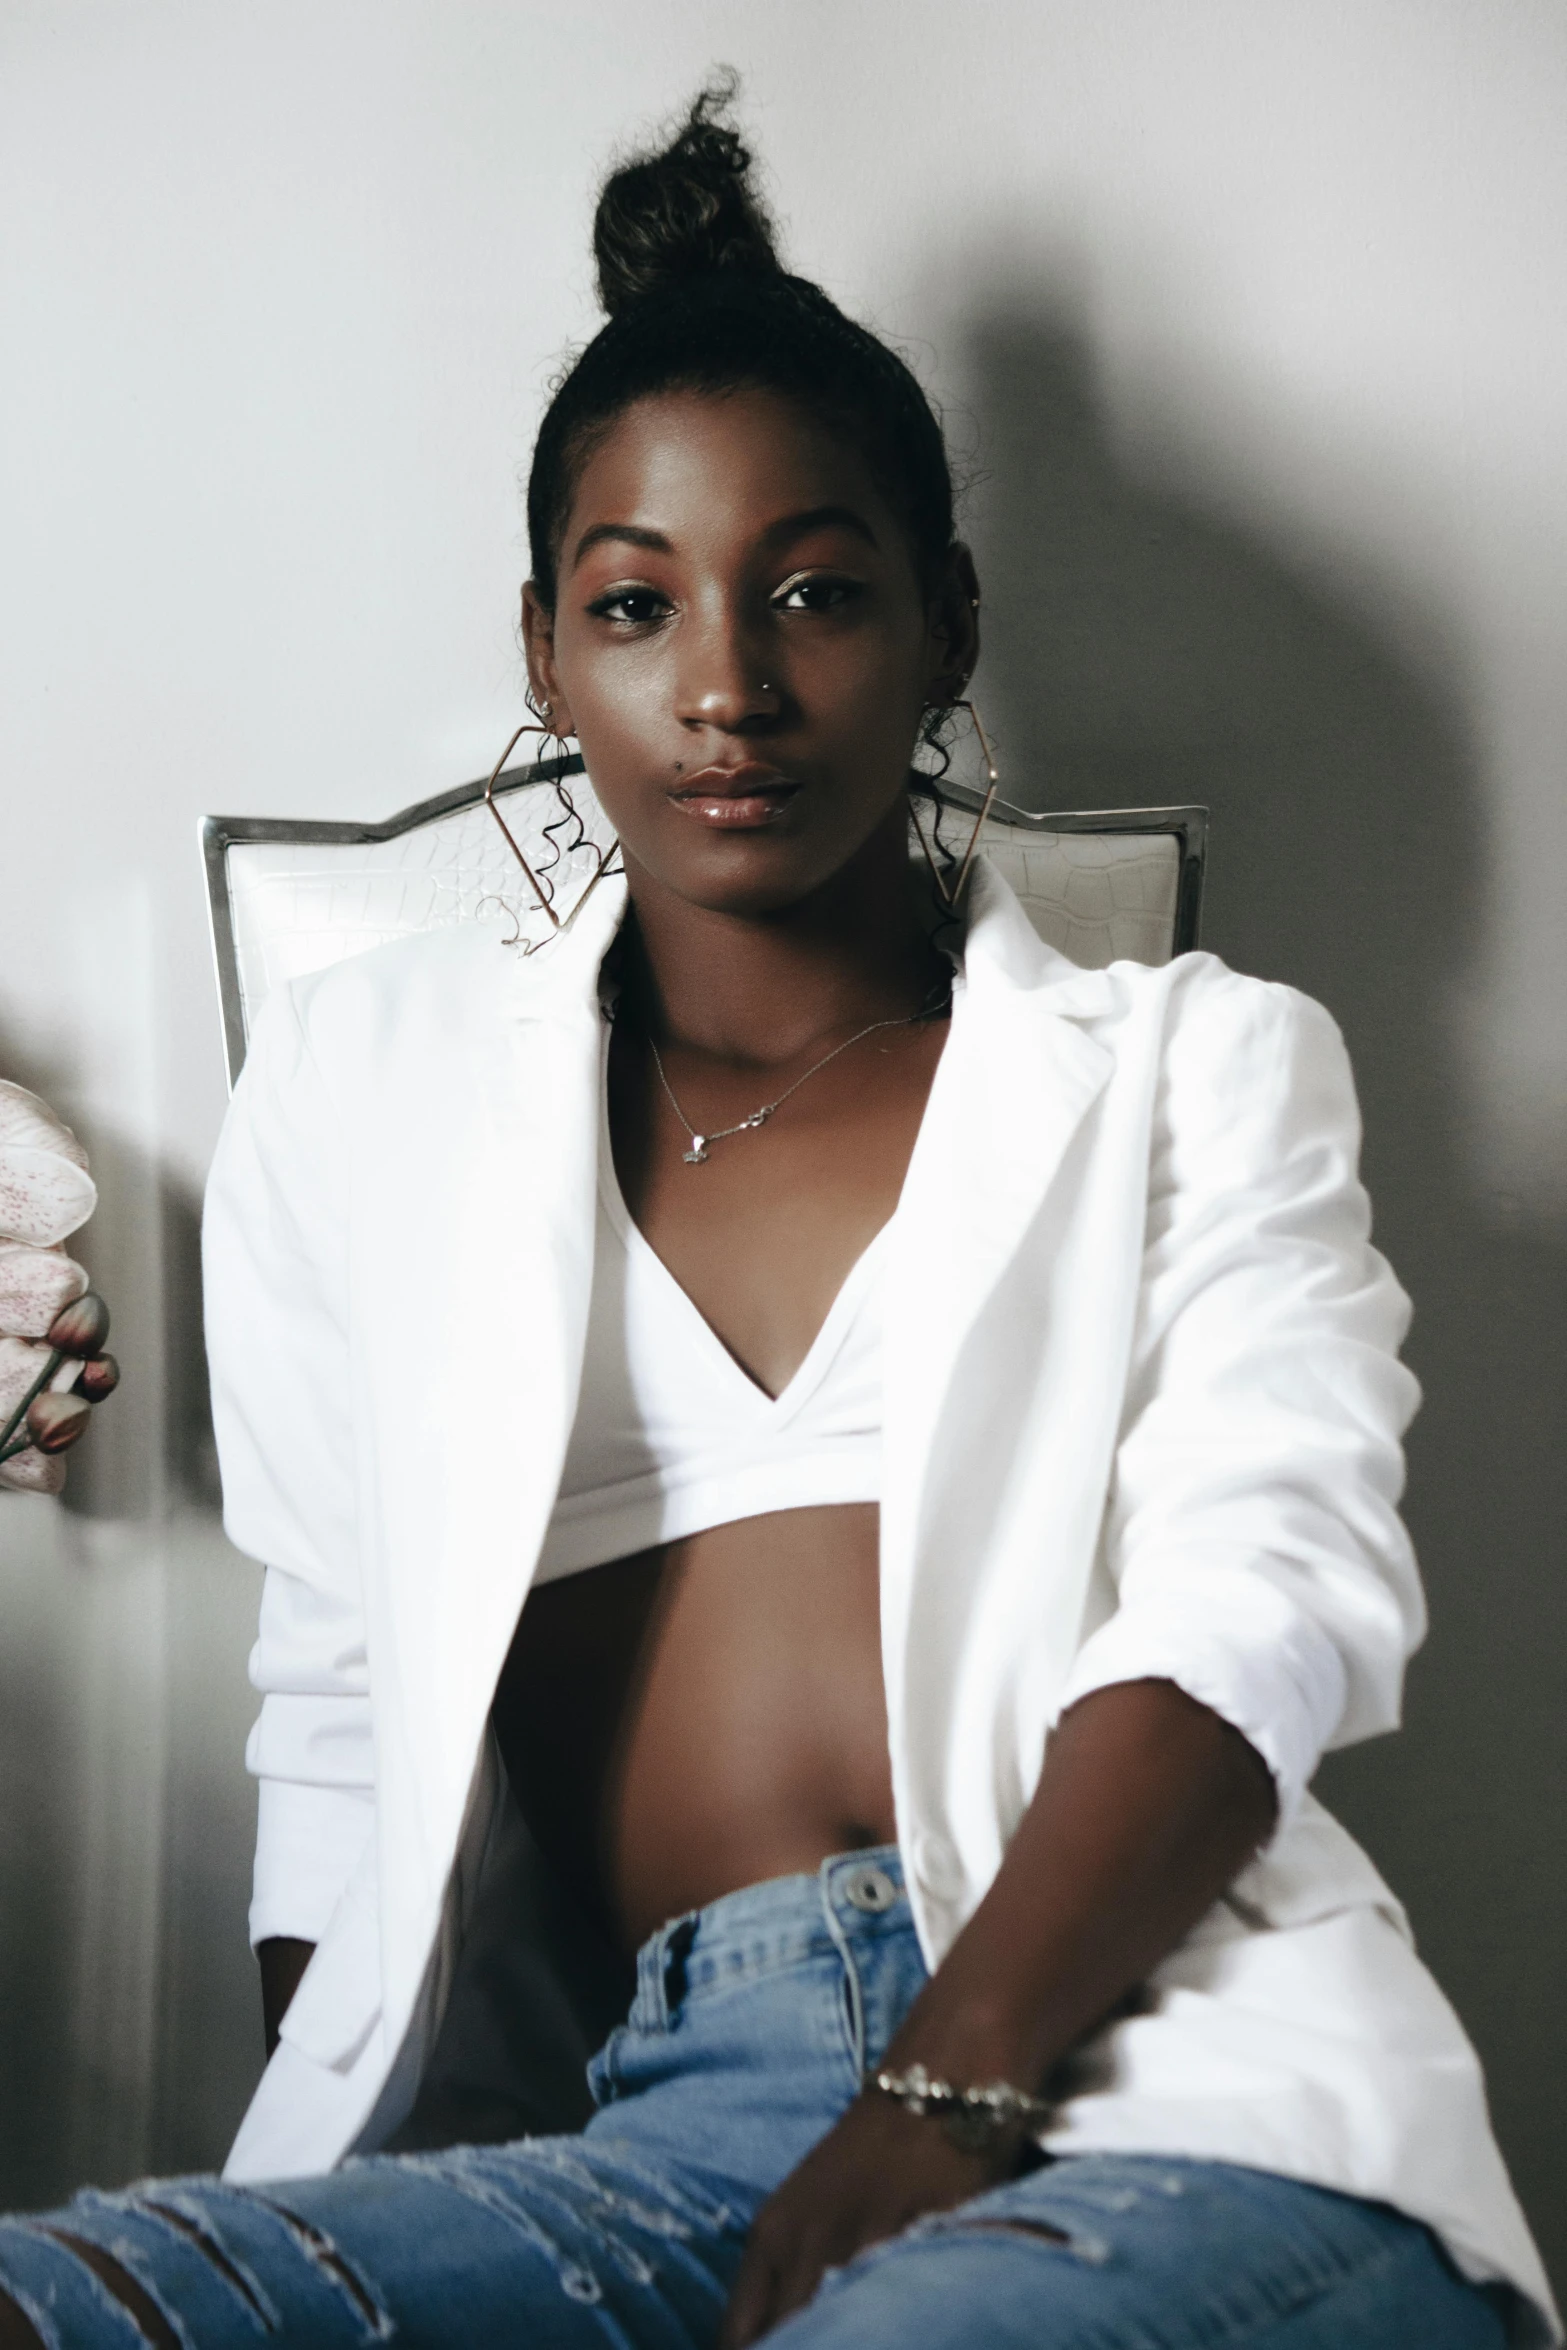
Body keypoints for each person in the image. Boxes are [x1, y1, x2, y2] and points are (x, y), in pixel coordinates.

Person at [0, 85, 1553, 2350]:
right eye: (640, 606)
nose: (727, 683)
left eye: (817, 590)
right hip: (649, 2124)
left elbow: (1263, 1609)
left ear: (945, 629)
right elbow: (339, 1721)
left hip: (1155, 2076)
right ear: (547, 653)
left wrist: (944, 2080)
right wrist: (365, 2192)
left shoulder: (1192, 1065)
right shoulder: (364, 1095)